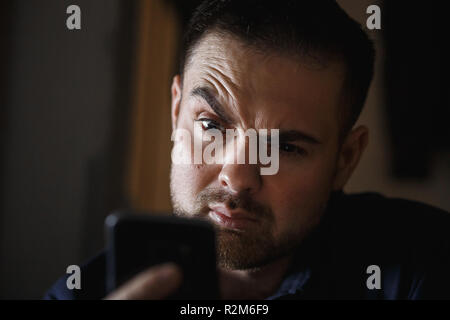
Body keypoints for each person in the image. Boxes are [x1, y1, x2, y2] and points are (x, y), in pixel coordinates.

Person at [45, 0, 450, 300]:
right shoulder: (79, 295)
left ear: (345, 160)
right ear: (175, 113)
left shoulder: (424, 266)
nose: (237, 178)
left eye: (286, 147)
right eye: (210, 125)